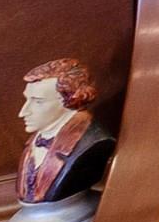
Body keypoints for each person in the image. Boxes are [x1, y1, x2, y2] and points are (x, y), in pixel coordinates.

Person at [15, 56, 115, 205]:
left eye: (38, 101)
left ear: (70, 100)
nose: (23, 112)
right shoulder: (34, 142)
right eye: (27, 100)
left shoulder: (94, 142)